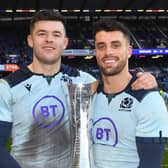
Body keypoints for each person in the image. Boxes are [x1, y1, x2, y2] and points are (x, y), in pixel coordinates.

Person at [0, 9, 158, 168]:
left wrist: (144, 78)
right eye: (41, 34)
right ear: (30, 40)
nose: (49, 39)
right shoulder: (7, 87)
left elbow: (118, 84)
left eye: (56, 34)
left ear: (65, 42)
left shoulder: (84, 81)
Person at [89, 19, 168, 168]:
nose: (108, 52)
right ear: (95, 52)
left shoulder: (149, 101)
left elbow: (150, 164)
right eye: (101, 46)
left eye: (116, 45)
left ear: (129, 51)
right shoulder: (88, 95)